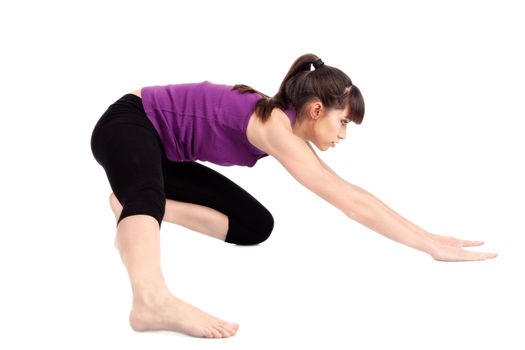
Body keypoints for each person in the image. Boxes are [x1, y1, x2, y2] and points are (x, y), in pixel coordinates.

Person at [90, 53, 497, 339]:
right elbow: (349, 200)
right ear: (317, 109)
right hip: (128, 124)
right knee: (144, 192)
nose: (342, 135)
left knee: (255, 225)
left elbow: (352, 193)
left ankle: (136, 207)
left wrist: (430, 238)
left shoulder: (281, 127)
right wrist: (428, 247)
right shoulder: (272, 125)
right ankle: (151, 300)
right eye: (342, 122)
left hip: (160, 155)